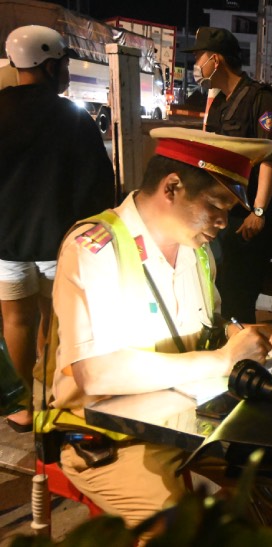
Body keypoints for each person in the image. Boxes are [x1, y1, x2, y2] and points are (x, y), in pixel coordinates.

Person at [43, 128, 272, 528]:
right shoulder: (95, 247)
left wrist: (239, 335)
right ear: (172, 187)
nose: (222, 222)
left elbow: (209, 327)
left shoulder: (198, 252)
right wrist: (221, 361)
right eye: (215, 206)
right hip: (111, 443)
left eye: (230, 210)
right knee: (185, 532)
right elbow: (95, 373)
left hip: (186, 425)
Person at [0, 26, 114, 432]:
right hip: (58, 242)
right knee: (58, 322)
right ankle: (53, 396)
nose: (65, 71)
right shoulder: (72, 117)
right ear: (50, 65)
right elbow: (98, 184)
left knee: (15, 320)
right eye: (63, 64)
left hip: (5, 244)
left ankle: (19, 408)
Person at [184, 27, 272, 324]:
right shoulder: (219, 102)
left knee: (239, 297)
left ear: (216, 60)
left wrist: (258, 211)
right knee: (217, 295)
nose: (196, 65)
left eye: (199, 58)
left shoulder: (261, 100)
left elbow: (270, 159)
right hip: (221, 216)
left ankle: (246, 361)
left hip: (247, 219)